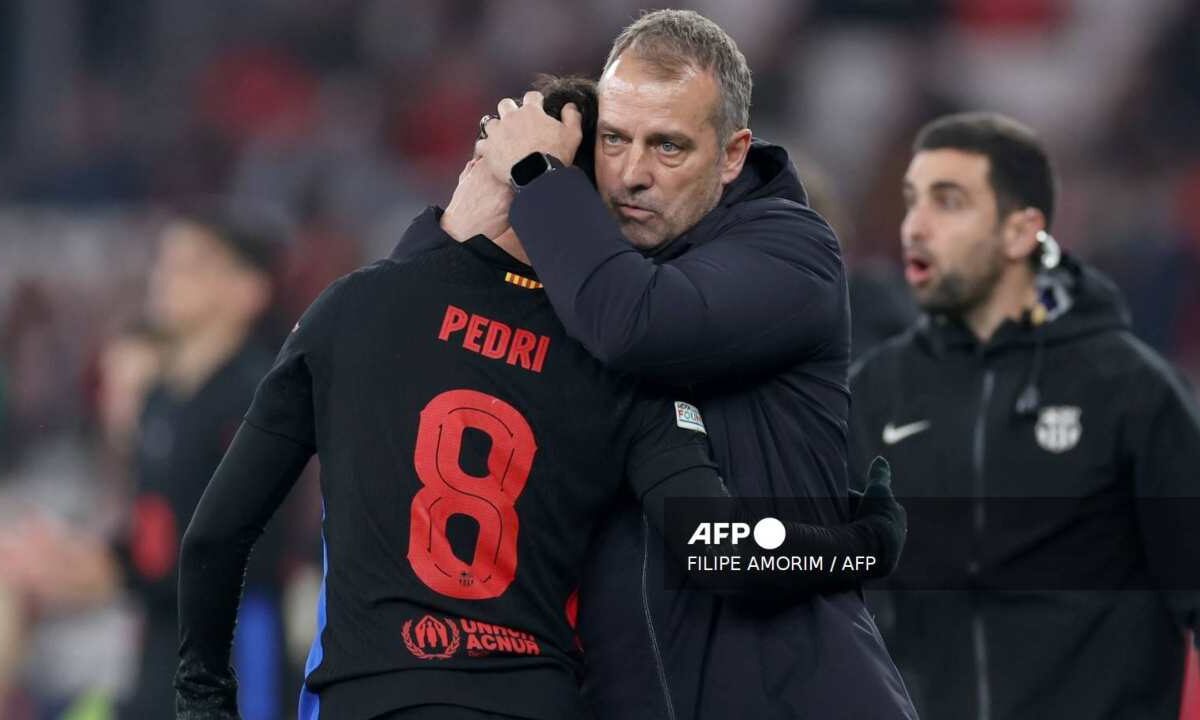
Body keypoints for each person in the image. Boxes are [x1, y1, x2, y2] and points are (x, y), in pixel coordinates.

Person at [174, 78, 908, 720]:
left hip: (372, 697)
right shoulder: (619, 370)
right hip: (535, 699)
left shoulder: (354, 310)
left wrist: (203, 696)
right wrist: (860, 542)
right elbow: (716, 550)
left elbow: (215, 536)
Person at [397, 10, 916, 720]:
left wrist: (536, 173)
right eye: (614, 141)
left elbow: (634, 327)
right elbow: (400, 351)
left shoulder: (793, 252)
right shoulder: (579, 278)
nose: (634, 175)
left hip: (796, 697)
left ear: (732, 155)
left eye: (668, 147)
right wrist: (473, 203)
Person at [848, 111, 1200, 719]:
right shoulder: (876, 392)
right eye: (912, 203)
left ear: (1021, 232)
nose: (916, 227)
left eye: (948, 202)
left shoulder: (1130, 393)